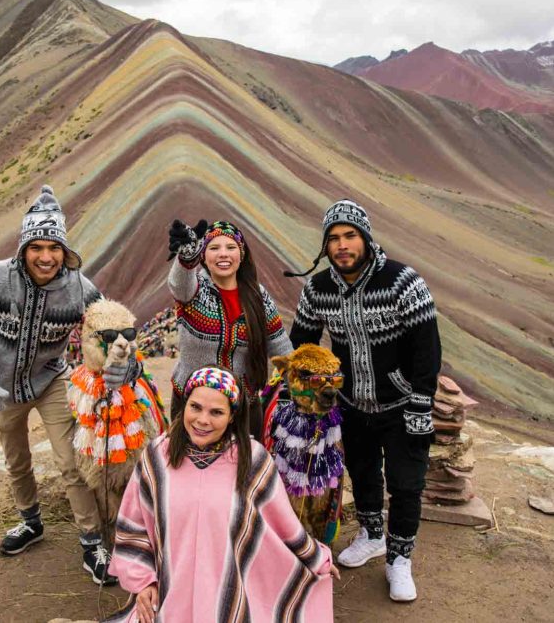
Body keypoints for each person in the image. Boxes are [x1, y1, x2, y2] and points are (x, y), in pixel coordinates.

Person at [0, 185, 137, 584]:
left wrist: (125, 367)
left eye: (53, 247)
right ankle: (30, 522)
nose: (46, 256)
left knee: (71, 461)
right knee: (16, 460)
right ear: (23, 248)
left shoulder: (82, 290)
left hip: (52, 379)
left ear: (64, 250)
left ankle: (92, 543)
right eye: (36, 246)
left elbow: (112, 332)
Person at [287, 199, 441, 602]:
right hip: (350, 403)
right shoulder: (317, 289)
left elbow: (428, 348)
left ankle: (399, 559)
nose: (342, 245)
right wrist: (308, 391)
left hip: (403, 403)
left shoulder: (403, 282)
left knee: (407, 484)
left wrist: (422, 401)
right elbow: (302, 343)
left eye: (350, 236)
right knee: (363, 472)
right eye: (334, 238)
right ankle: (372, 534)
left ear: (366, 239)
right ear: (325, 246)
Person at [107, 366, 338, 622]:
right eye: (195, 407)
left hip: (231, 600)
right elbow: (134, 526)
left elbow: (284, 526)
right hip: (169, 596)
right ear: (184, 406)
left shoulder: (252, 460)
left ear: (231, 417)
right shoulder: (157, 458)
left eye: (216, 412)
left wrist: (317, 559)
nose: (203, 420)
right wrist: (143, 583)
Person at [167, 219, 292, 439]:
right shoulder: (194, 291)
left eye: (231, 247)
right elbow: (178, 284)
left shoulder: (258, 296)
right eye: (214, 248)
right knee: (188, 468)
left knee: (243, 469)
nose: (223, 254)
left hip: (243, 406)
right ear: (203, 256)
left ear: (241, 254)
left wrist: (302, 387)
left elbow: (280, 345)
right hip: (193, 405)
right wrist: (186, 257)